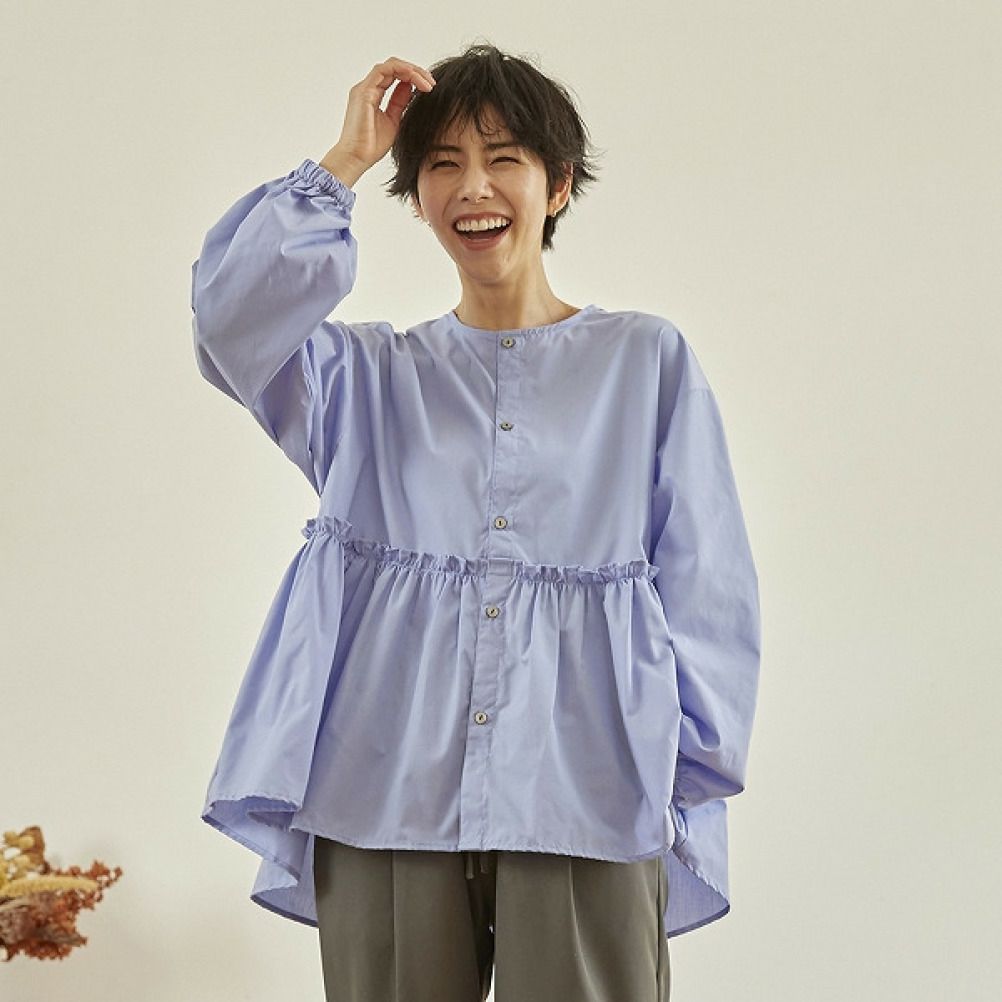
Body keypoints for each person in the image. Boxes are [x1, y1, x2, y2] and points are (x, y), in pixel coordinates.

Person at [190, 43, 761, 1002]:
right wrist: (345, 160)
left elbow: (708, 583)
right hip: (384, 781)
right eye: (443, 163)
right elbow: (229, 325)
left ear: (558, 184)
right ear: (417, 197)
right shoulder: (366, 380)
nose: (473, 188)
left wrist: (684, 768)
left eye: (504, 159)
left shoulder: (645, 361)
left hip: (588, 783)